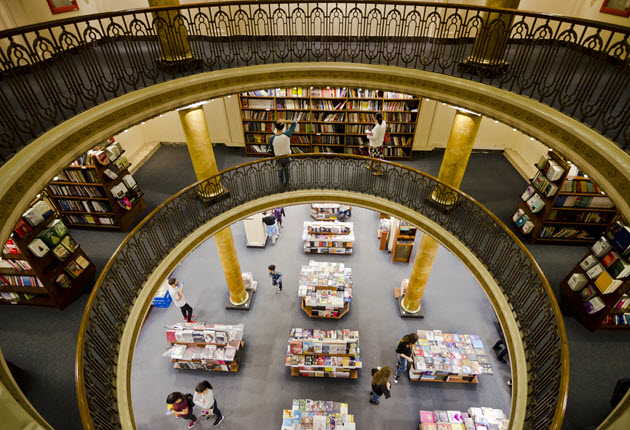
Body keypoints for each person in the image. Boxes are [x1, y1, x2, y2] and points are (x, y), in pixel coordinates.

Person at [269, 119, 297, 186]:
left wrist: (271, 161)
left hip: (278, 158)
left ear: (275, 127)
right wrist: (285, 121)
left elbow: (272, 150)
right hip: (287, 157)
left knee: (280, 171)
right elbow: (294, 123)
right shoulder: (287, 134)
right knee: (287, 171)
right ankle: (287, 183)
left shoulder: (271, 138)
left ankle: (281, 184)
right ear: (284, 127)